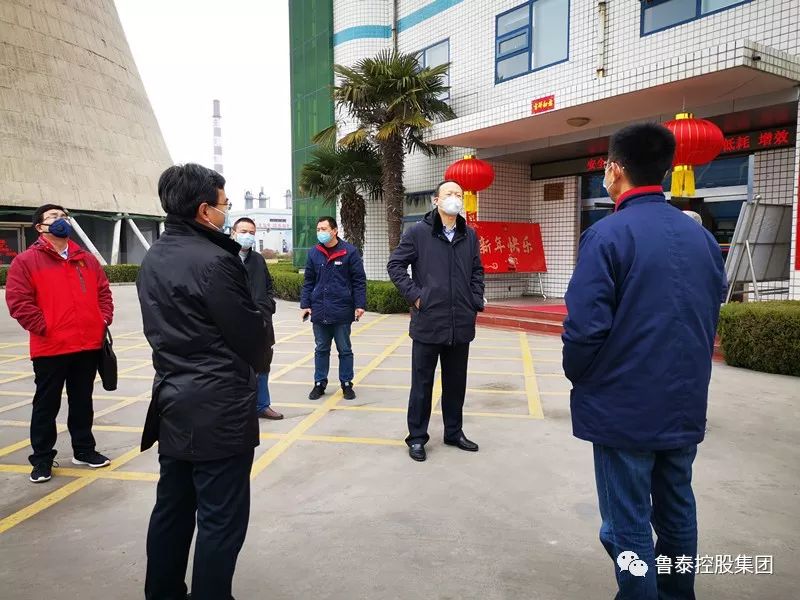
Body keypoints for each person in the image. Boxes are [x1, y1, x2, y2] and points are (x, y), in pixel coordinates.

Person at [562, 123, 726, 600]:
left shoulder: (606, 235)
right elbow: (709, 309)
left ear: (615, 169)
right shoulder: (700, 238)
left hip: (624, 406)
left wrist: (581, 375)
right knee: (676, 512)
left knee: (625, 523)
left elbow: (585, 329)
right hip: (684, 401)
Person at [137, 164, 269, 600]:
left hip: (173, 400)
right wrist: (261, 336)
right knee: (221, 519)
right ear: (203, 210)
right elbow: (249, 337)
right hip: (218, 408)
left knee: (172, 510)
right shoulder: (215, 260)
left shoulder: (155, 256)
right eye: (224, 204)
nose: (226, 211)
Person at [5, 204, 114, 483]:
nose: (61, 220)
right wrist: (45, 327)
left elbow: (103, 292)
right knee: (46, 405)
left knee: (82, 401)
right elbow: (19, 302)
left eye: (64, 216)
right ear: (39, 226)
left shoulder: (85, 259)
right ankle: (42, 459)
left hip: (87, 345)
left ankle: (84, 450)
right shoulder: (26, 261)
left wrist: (102, 320)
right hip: (50, 347)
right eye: (54, 216)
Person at [387, 180, 485, 463]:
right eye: (449, 194)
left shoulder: (469, 235)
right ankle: (417, 437)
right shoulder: (419, 232)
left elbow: (477, 271)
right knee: (422, 384)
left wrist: (474, 300)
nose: (455, 198)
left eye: (459, 194)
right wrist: (417, 297)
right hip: (429, 321)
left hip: (460, 322)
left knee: (456, 383)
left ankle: (454, 432)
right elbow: (395, 265)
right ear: (436, 200)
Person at [300, 216, 367, 401]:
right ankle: (319, 383)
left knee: (344, 349)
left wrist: (360, 304)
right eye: (318, 229)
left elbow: (359, 281)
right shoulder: (314, 253)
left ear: (335, 231)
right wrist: (305, 305)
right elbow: (308, 281)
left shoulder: (349, 252)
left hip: (342, 310)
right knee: (321, 348)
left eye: (324, 229)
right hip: (319, 310)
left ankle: (346, 383)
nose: (320, 232)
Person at [232, 217, 282, 420]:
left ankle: (262, 405)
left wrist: (268, 306)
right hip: (235, 324)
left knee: (263, 365)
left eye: (252, 233)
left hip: (262, 322)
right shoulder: (224, 258)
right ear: (233, 233)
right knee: (237, 368)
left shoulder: (258, 260)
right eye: (243, 231)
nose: (248, 236)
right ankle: (239, 409)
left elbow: (268, 286)